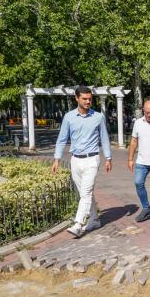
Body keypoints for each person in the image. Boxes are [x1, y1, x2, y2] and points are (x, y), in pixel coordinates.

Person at [52, 86, 112, 237]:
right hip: (75, 161)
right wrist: (57, 159)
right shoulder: (69, 117)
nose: (88, 101)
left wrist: (108, 157)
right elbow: (62, 139)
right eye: (84, 99)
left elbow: (104, 138)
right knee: (85, 193)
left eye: (90, 99)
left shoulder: (98, 117)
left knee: (85, 192)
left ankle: (78, 223)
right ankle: (95, 220)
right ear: (76, 98)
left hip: (92, 159)